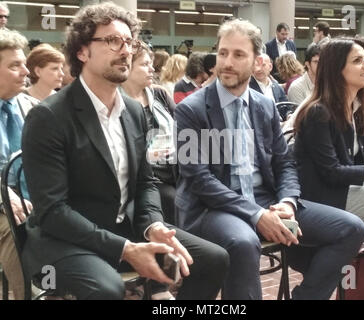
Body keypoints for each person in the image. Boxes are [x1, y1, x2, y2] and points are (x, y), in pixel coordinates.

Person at [21, 2, 228, 300]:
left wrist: (153, 225)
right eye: (112, 41)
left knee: (213, 259)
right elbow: (53, 212)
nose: (126, 50)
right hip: (62, 241)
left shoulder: (132, 110)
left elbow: (146, 182)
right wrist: (125, 249)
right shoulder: (49, 116)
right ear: (82, 52)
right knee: (107, 289)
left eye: (129, 41)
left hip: (122, 228)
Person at [175, 19, 364, 300]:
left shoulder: (263, 105)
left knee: (352, 228)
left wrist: (288, 201)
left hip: (266, 199)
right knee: (243, 241)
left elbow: (284, 163)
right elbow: (199, 179)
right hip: (211, 208)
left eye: (239, 54)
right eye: (223, 53)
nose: (227, 62)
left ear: (256, 61)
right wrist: (256, 215)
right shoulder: (191, 109)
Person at [294, 38, 364, 300]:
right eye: (358, 60)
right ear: (336, 69)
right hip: (320, 200)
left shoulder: (360, 108)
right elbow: (332, 172)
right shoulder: (317, 112)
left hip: (351, 195)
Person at [121, 42, 177, 225]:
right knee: (174, 199)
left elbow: (181, 129)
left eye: (151, 64)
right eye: (145, 64)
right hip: (145, 178)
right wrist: (148, 155)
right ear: (127, 67)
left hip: (174, 168)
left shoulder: (159, 95)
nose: (152, 69)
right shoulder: (117, 104)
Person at [0, 29, 32, 300]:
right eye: (14, 66)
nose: (26, 72)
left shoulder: (32, 108)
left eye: (24, 63)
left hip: (35, 198)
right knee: (14, 226)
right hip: (5, 207)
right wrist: (3, 196)